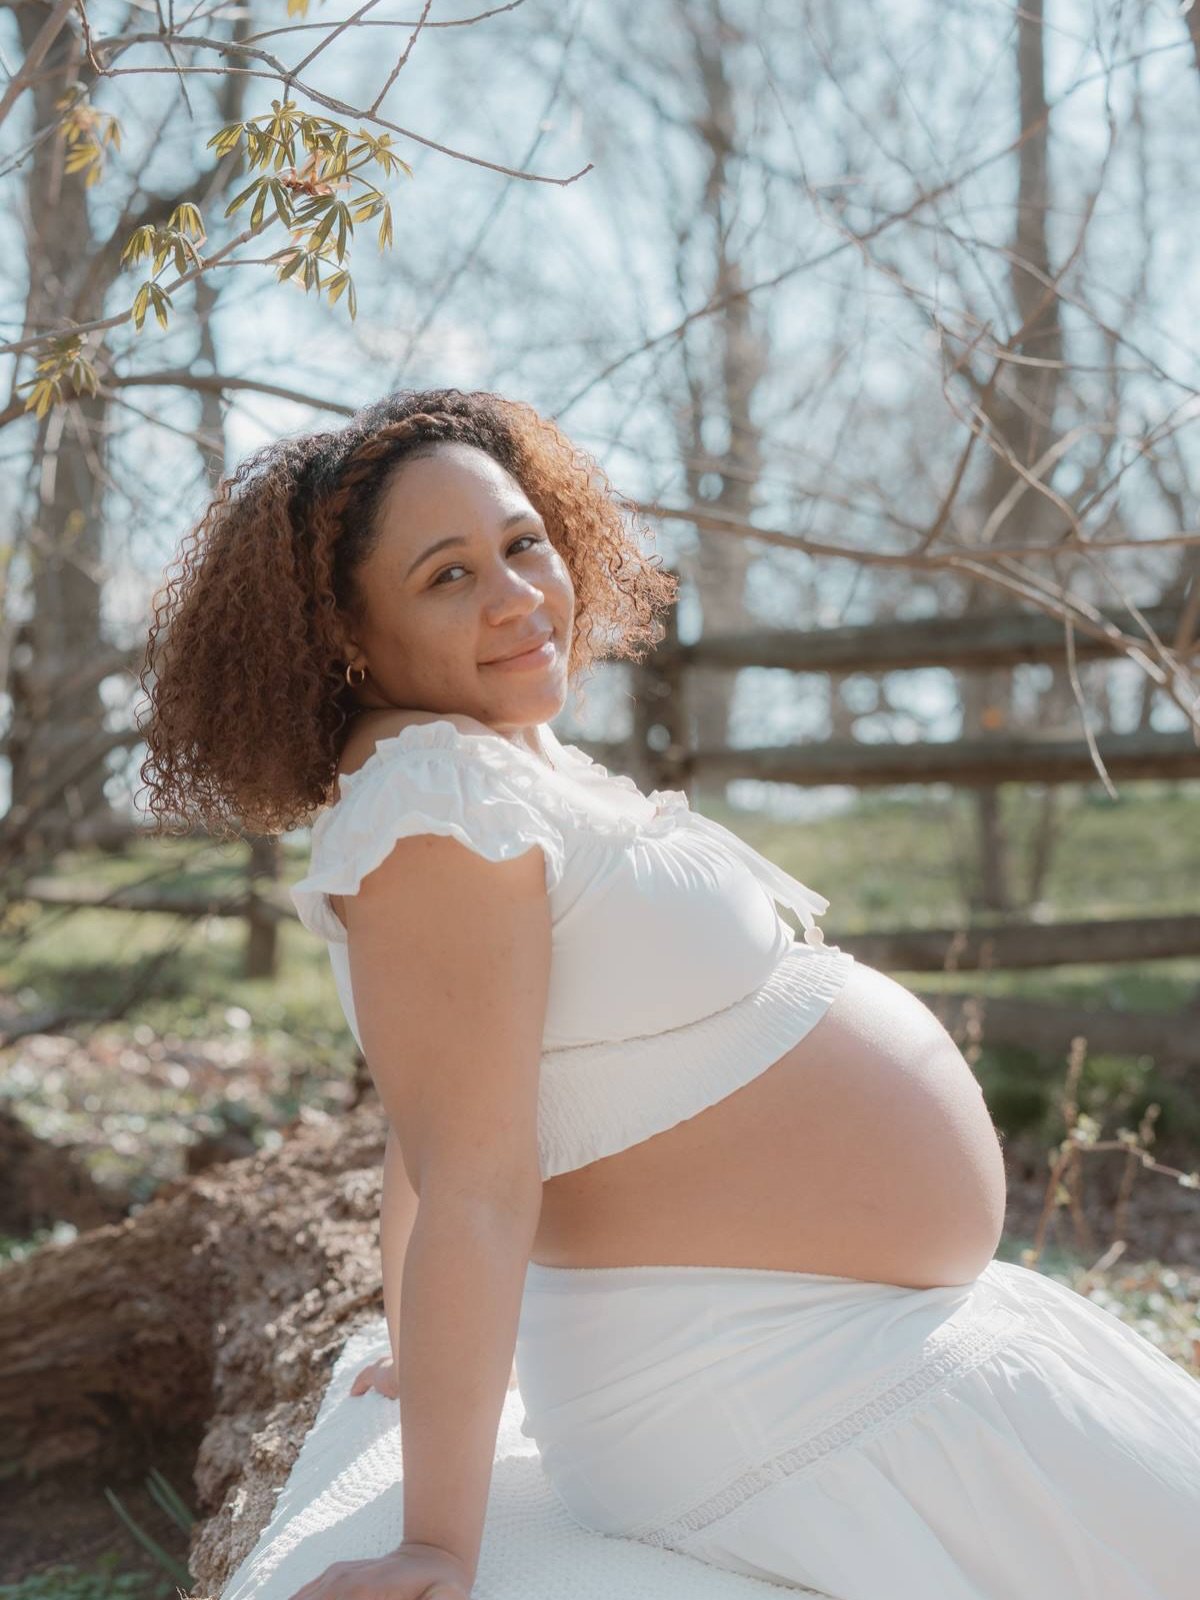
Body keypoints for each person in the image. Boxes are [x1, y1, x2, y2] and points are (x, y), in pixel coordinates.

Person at [139, 388, 1200, 1600]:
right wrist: (435, 1543)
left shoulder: (480, 763)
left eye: (524, 542)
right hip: (747, 1385)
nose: (516, 594)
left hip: (811, 1337)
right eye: (448, 575)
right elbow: (471, 1171)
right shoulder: (434, 802)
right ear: (345, 630)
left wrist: (411, 1337)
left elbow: (427, 1106)